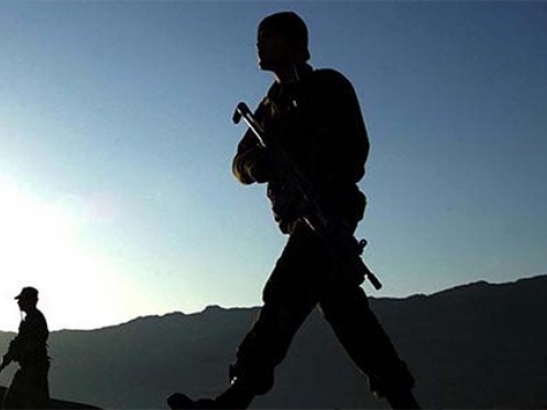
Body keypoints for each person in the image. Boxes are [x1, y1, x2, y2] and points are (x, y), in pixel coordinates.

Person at [167, 11, 419, 410]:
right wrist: (257, 165)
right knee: (347, 313)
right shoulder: (267, 109)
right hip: (299, 216)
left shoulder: (328, 86)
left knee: (284, 291)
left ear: (293, 42)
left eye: (267, 37)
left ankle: (235, 398)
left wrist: (308, 155)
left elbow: (356, 151)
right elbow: (239, 163)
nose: (259, 45)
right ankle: (404, 401)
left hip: (328, 209)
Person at [0, 286, 51, 409]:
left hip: (33, 369)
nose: (19, 302)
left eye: (22, 299)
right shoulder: (32, 318)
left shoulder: (34, 319)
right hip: (34, 368)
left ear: (30, 300)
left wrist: (13, 355)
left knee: (14, 402)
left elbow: (29, 344)